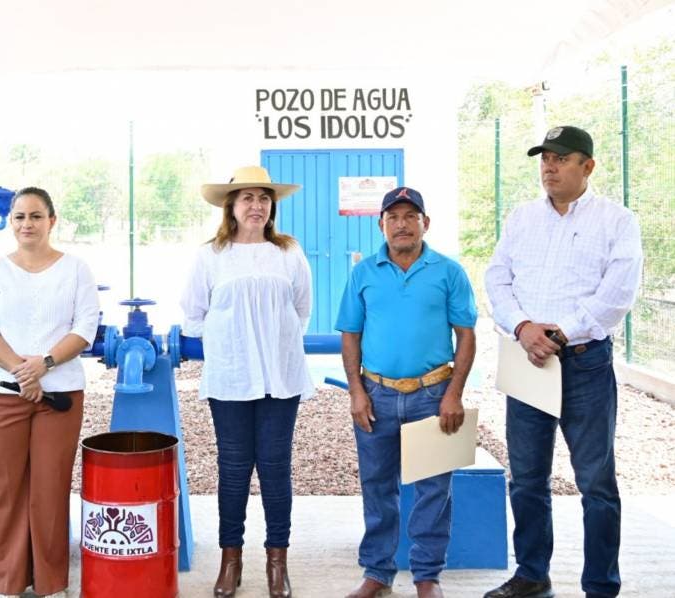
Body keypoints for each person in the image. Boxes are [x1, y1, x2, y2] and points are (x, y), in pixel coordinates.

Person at [483, 126, 642, 598]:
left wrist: (561, 332)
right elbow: (497, 279)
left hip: (584, 363)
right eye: (544, 159)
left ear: (587, 166)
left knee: (595, 483)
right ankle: (532, 575)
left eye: (561, 158)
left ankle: (600, 586)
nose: (549, 167)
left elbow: (618, 293)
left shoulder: (616, 221)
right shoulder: (522, 218)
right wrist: (522, 327)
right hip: (528, 359)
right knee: (526, 479)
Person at [336, 187, 477, 598]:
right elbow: (350, 335)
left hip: (432, 395)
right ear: (381, 225)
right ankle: (377, 574)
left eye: (410, 216)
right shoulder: (363, 273)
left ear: (424, 223)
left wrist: (454, 394)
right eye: (393, 217)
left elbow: (466, 336)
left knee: (434, 490)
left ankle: (427, 577)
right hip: (376, 396)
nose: (402, 224)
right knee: (377, 487)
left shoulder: (449, 272)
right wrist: (356, 391)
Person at [181, 165, 314, 598]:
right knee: (234, 469)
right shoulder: (210, 256)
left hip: (280, 376)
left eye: (263, 198)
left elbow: (301, 310)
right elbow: (193, 315)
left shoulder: (288, 252)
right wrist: (232, 342)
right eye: (247, 198)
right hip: (232, 378)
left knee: (276, 468)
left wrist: (272, 344)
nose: (256, 205)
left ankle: (277, 562)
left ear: (272, 206)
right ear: (231, 207)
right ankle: (230, 560)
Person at [0, 186, 100, 598]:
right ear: (11, 223)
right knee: (4, 490)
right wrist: (19, 369)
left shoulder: (76, 269)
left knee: (50, 489)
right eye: (20, 217)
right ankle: (8, 583)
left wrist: (43, 364)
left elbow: (85, 328)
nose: (28, 224)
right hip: (0, 393)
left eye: (36, 216)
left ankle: (50, 583)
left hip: (60, 395)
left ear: (52, 221)